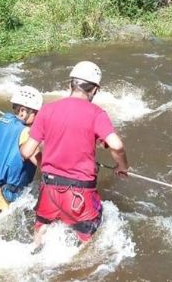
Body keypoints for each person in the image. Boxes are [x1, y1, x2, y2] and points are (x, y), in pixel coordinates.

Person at [20, 61, 129, 246]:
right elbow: (116, 146)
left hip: (49, 189)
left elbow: (27, 152)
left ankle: (36, 247)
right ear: (94, 90)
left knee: (40, 231)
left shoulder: (46, 110)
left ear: (70, 84)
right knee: (89, 243)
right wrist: (122, 166)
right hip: (80, 194)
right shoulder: (97, 113)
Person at [0, 86, 44, 218]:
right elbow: (41, 163)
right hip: (8, 194)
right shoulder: (25, 132)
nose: (38, 117)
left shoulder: (3, 121)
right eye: (36, 114)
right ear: (23, 112)